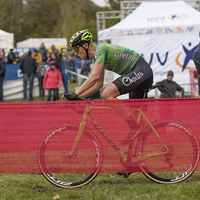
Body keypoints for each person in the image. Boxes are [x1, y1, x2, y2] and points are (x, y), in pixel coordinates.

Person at [63, 29, 153, 176]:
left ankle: (135, 128)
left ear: (85, 45)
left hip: (141, 70)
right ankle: (132, 164)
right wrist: (78, 97)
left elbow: (95, 76)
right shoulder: (98, 57)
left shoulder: (101, 49)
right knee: (135, 119)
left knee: (107, 94)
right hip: (139, 73)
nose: (75, 53)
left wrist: (76, 92)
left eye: (76, 48)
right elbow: (98, 83)